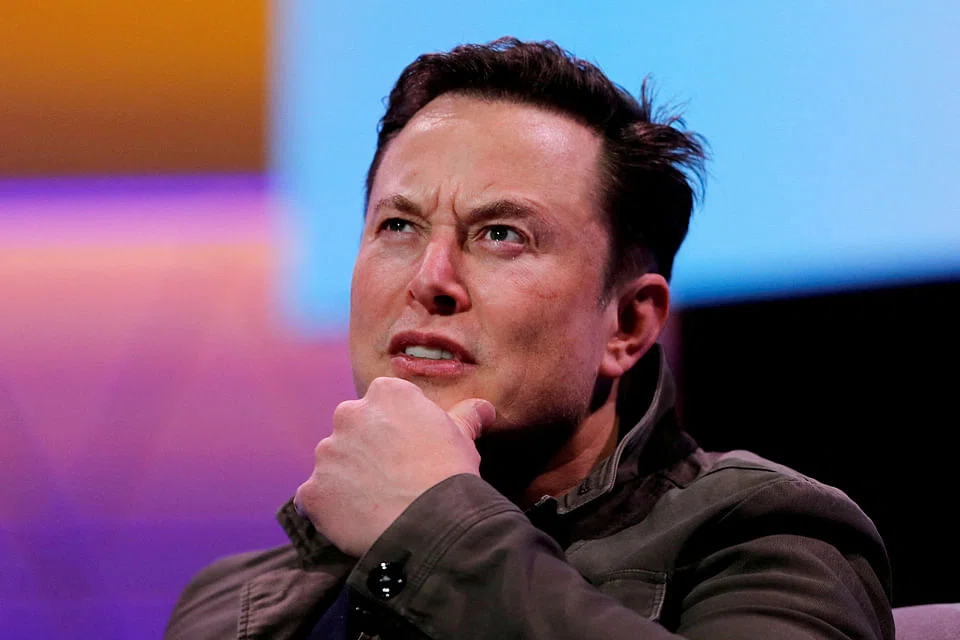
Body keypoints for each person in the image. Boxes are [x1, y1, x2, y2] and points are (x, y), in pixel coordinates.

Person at [166, 38, 894, 639]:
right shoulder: (235, 605)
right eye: (398, 225)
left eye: (502, 235)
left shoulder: (762, 539)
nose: (430, 279)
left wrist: (430, 526)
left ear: (629, 323)